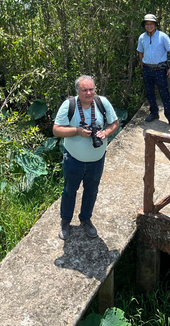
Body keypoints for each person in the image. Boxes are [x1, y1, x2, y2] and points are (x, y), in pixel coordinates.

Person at [53, 75, 119, 240]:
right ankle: (65, 221)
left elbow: (114, 123)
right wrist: (77, 131)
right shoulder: (70, 105)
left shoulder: (102, 103)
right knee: (69, 191)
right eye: (84, 90)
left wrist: (106, 132)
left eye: (91, 89)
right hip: (73, 159)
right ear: (78, 91)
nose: (89, 93)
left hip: (97, 160)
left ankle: (85, 219)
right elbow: (56, 130)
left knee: (91, 191)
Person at [137, 13, 170, 131]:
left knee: (164, 94)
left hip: (160, 69)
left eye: (151, 24)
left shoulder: (163, 36)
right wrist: (142, 64)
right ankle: (154, 113)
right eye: (147, 24)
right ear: (144, 25)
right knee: (150, 93)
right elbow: (140, 52)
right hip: (147, 69)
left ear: (155, 25)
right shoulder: (142, 37)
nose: (149, 26)